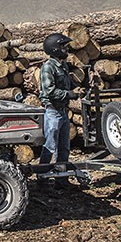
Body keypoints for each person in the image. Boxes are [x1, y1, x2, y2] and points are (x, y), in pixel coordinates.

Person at [38, 33, 78, 167]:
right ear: (54, 49)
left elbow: (69, 85)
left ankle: (61, 175)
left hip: (63, 111)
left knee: (64, 148)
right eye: (63, 46)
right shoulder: (48, 67)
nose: (66, 49)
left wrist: (78, 89)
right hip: (53, 113)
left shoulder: (63, 65)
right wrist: (69, 94)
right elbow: (49, 91)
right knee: (50, 145)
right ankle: (42, 174)